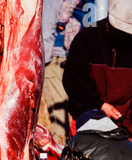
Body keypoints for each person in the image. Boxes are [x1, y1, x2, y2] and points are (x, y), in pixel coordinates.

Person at [62, 0, 132, 145]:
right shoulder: (87, 37)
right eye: (116, 30)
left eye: (124, 32)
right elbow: (73, 81)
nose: (120, 36)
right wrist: (99, 105)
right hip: (87, 122)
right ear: (108, 18)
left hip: (125, 127)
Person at [42, 0, 94, 145]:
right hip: (85, 60)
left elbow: (46, 28)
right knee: (82, 113)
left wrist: (43, 62)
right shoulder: (97, 2)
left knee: (60, 117)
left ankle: (62, 159)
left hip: (58, 57)